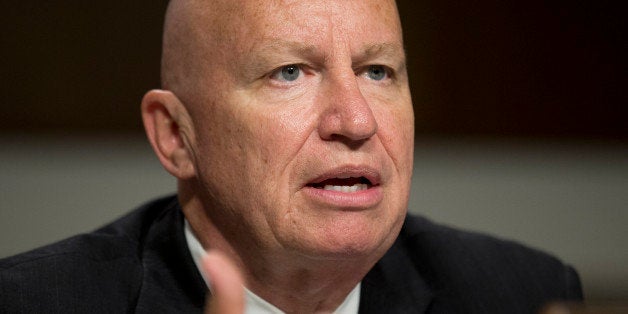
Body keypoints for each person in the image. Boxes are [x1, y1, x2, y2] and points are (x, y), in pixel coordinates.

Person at [0, 0, 582, 313]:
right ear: (177, 136)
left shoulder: (523, 294)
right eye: (289, 73)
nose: (356, 122)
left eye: (377, 71)